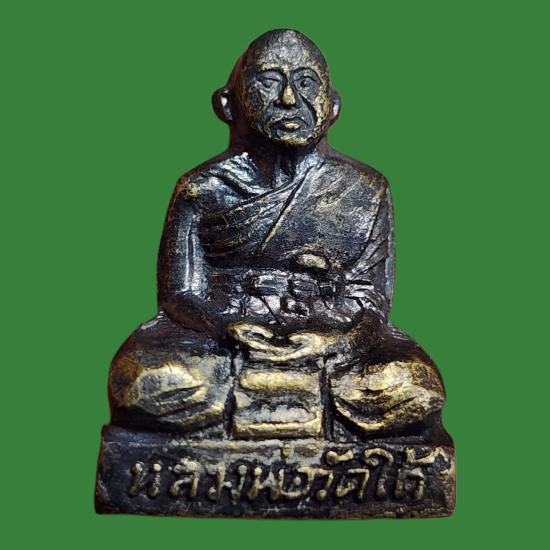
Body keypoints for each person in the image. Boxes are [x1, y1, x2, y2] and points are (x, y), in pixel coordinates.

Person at [108, 29, 445, 439]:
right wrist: (224, 330)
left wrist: (335, 344)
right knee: (141, 381)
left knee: (412, 386)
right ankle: (292, 407)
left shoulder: (365, 189)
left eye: (307, 83)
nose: (289, 99)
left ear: (333, 105)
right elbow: (178, 295)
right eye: (268, 82)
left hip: (330, 339)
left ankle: (277, 406)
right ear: (227, 104)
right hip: (222, 338)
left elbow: (370, 300)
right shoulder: (203, 188)